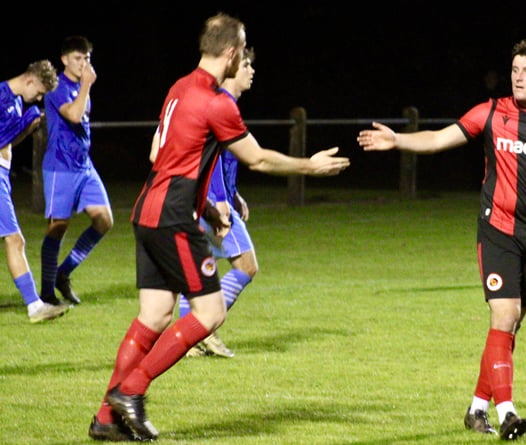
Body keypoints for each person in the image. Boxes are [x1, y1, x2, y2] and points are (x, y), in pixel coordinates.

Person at [88, 12, 349, 442]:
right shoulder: (216, 101)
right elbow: (258, 158)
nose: (244, 58)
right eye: (242, 51)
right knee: (210, 313)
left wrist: (207, 207)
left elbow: (166, 155)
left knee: (153, 316)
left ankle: (105, 418)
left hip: (147, 212)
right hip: (173, 219)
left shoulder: (179, 87)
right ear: (230, 53)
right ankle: (130, 392)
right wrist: (310, 166)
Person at [358, 38, 526, 440]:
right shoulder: (491, 112)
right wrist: (399, 140)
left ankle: (476, 409)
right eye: (515, 70)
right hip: (497, 230)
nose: (519, 78)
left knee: (509, 328)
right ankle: (507, 413)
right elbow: (439, 138)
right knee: (503, 317)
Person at [154, 48, 258, 359]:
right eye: (248, 64)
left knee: (204, 270)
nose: (252, 70)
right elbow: (205, 157)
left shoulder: (221, 102)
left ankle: (194, 332)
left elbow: (222, 160)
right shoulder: (218, 104)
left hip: (206, 200)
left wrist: (234, 192)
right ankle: (201, 329)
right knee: (246, 265)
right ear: (232, 66)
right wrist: (220, 200)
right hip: (207, 203)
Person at [40, 35, 113, 306]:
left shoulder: (81, 87)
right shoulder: (57, 86)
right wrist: (85, 86)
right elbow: (72, 114)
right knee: (58, 226)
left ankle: (63, 273)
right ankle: (47, 291)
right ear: (64, 60)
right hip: (61, 166)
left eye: (87, 58)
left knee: (104, 220)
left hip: (84, 165)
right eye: (78, 58)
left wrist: (84, 88)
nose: (84, 63)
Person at [0, 60, 69, 323]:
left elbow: (7, 140)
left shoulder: (17, 103)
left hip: (3, 173)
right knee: (15, 240)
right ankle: (34, 306)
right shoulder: (1, 95)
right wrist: (21, 125)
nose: (38, 98)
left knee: (14, 240)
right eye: (39, 92)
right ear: (29, 80)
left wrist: (25, 130)